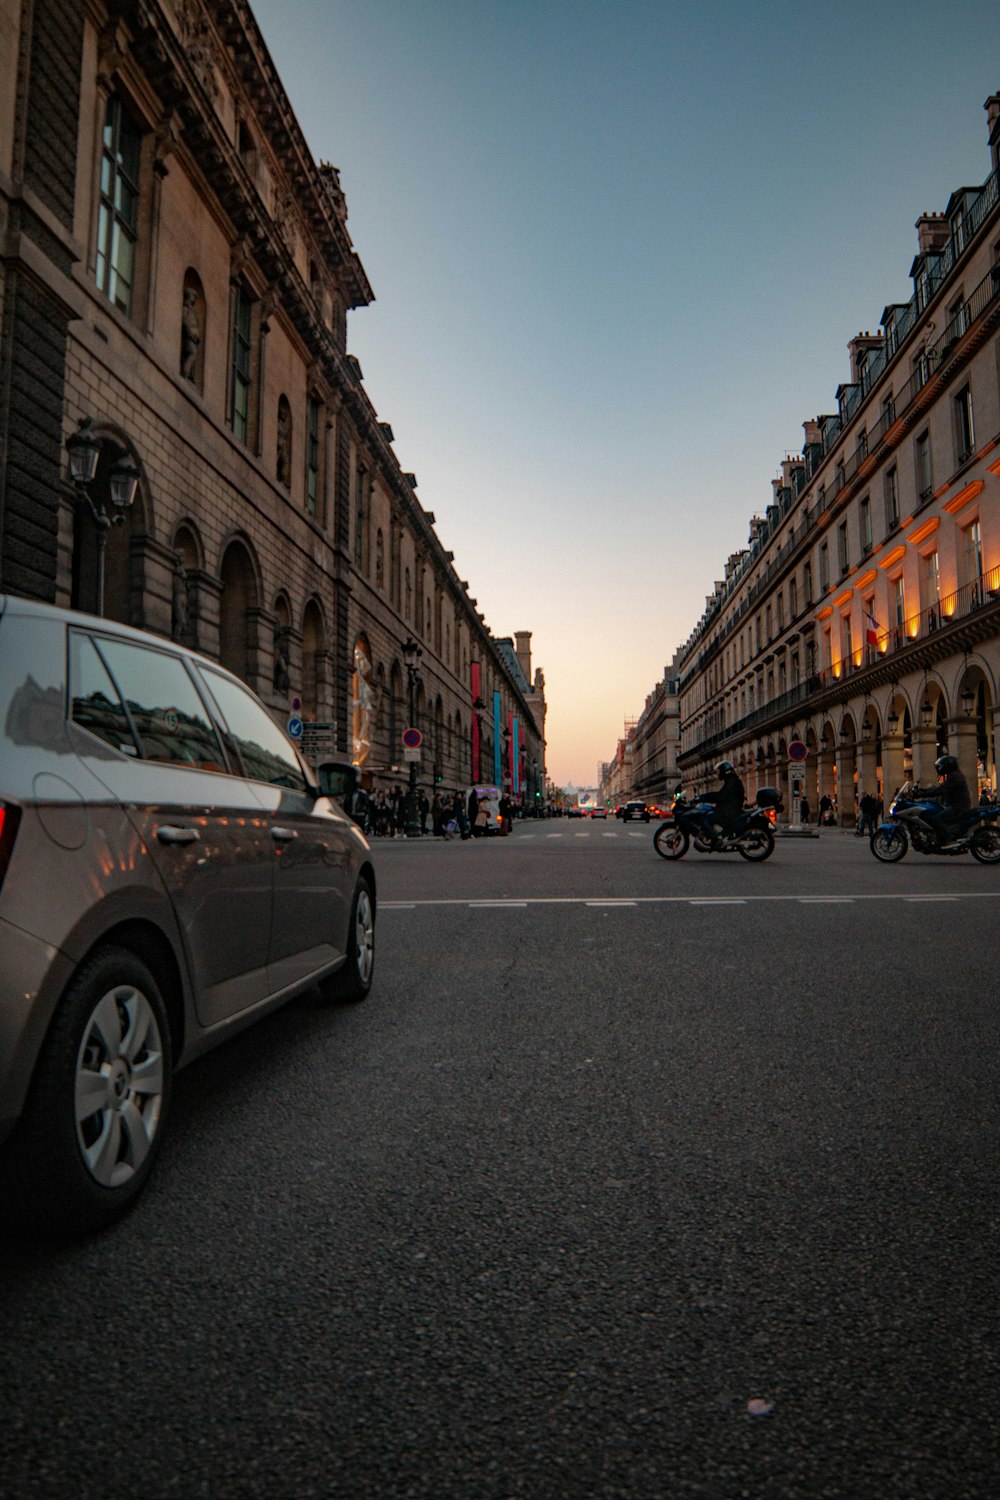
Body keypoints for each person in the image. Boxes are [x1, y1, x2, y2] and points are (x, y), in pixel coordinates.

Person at [918, 754, 972, 845]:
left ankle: (949, 838)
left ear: (948, 766)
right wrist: (925, 790)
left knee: (936, 819)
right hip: (956, 805)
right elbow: (942, 788)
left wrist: (924, 794)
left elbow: (942, 789)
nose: (939, 768)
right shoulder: (954, 774)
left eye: (941, 766)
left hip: (958, 806)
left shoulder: (955, 776)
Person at [700, 760, 746, 843]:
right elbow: (721, 794)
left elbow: (721, 796)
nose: (718, 774)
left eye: (720, 771)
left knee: (704, 820)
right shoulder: (731, 781)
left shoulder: (732, 782)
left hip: (728, 812)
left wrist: (704, 797)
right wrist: (705, 796)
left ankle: (716, 839)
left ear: (725, 771)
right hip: (729, 809)